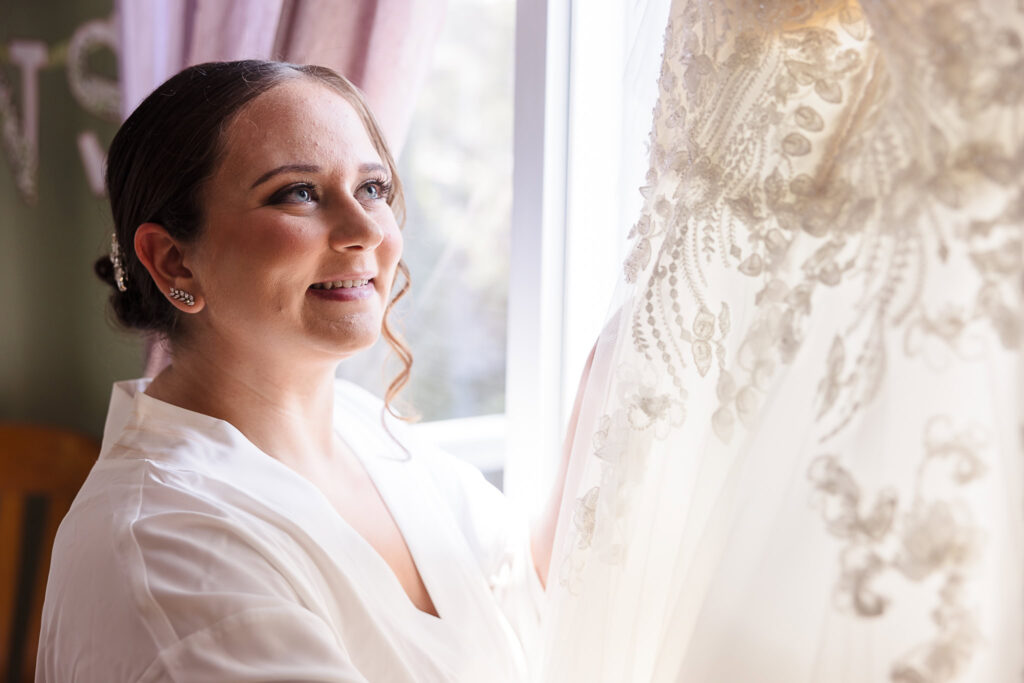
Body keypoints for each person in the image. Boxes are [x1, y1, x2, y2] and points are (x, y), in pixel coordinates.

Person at [35, 60, 559, 682]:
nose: (365, 230)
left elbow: (532, 593)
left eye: (373, 188)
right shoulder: (167, 545)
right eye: (298, 193)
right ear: (174, 261)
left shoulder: (372, 436)